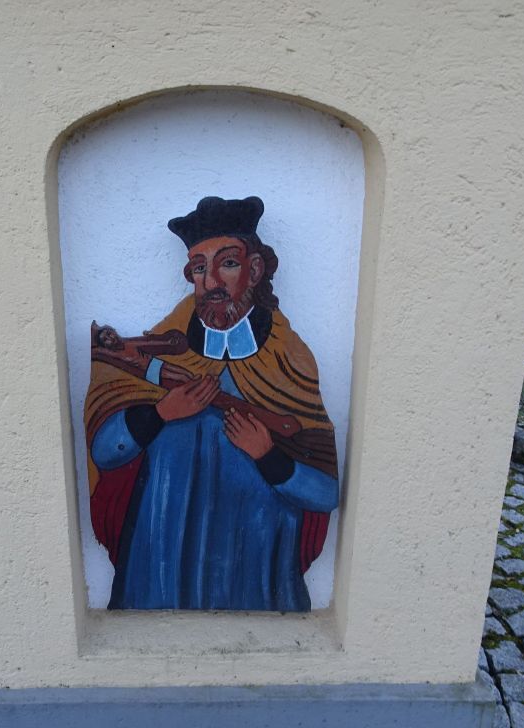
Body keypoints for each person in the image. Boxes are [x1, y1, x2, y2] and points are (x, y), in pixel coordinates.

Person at [84, 196, 339, 612]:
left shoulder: (289, 360)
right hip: (163, 559)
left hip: (255, 564)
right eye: (199, 268)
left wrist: (269, 456)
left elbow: (325, 492)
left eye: (228, 263)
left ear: (255, 270)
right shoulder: (163, 349)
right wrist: (159, 414)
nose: (211, 281)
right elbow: (105, 452)